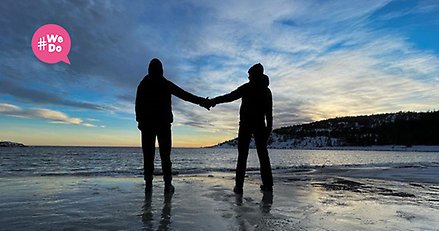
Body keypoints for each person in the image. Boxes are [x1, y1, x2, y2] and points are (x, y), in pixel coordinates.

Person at [135, 58, 210, 193]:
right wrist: (202, 102)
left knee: (148, 156)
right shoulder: (163, 83)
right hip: (162, 125)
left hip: (148, 126)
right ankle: (167, 185)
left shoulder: (143, 84)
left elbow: (137, 105)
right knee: (165, 156)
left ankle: (149, 186)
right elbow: (184, 95)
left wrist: (139, 121)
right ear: (161, 70)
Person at [209, 63, 273, 194]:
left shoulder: (248, 88)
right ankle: (267, 185)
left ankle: (239, 187)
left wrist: (214, 101)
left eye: (250, 75)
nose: (248, 77)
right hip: (260, 126)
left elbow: (230, 96)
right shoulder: (266, 91)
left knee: (243, 156)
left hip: (246, 125)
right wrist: (269, 129)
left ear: (254, 75)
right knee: (263, 156)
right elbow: (269, 114)